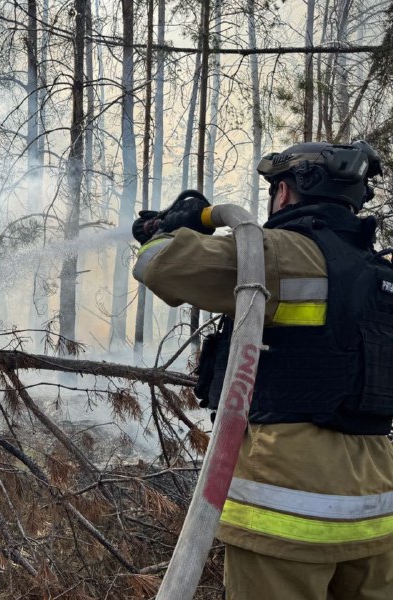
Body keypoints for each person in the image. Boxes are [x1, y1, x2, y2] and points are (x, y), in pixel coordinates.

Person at [131, 141, 393, 599]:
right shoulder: (382, 278)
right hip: (377, 511)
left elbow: (158, 264)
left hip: (286, 507)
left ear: (287, 193)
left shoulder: (274, 252)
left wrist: (178, 225)